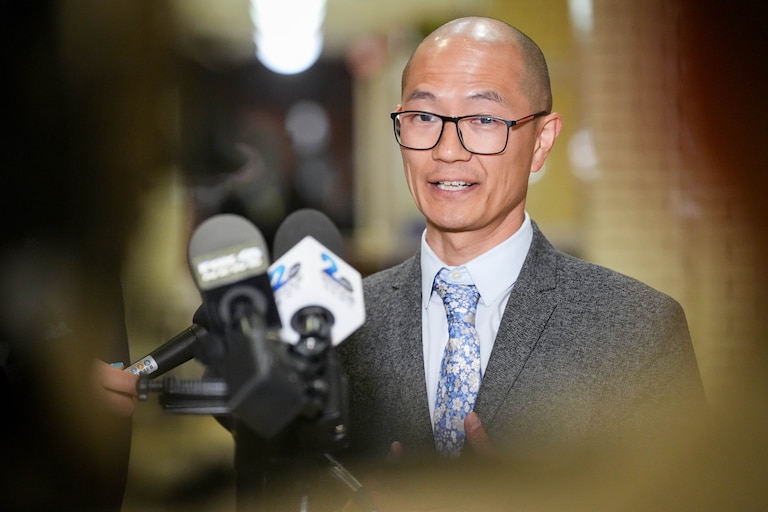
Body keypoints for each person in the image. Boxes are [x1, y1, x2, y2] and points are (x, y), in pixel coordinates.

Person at [336, 16, 706, 470]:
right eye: (424, 117)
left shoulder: (638, 330)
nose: (447, 150)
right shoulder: (341, 325)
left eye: (484, 119)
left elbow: (690, 494)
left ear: (541, 141)